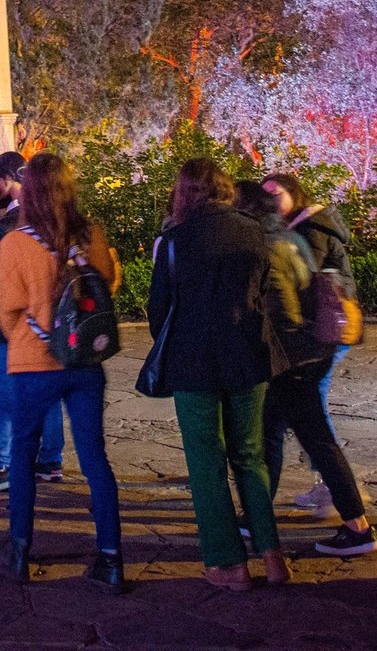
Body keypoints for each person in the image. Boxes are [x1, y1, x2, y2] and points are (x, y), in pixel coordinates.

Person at [153, 158, 288, 592]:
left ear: (184, 192)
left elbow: (160, 308)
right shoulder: (253, 230)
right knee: (250, 455)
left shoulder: (174, 239)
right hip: (248, 354)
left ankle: (227, 563)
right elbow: (265, 290)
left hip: (193, 360)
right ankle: (272, 556)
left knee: (206, 461)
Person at [0, 152, 124, 592]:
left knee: (24, 457)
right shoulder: (90, 235)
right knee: (94, 459)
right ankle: (109, 557)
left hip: (34, 364)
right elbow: (108, 284)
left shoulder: (15, 243)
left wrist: (34, 338)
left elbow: (7, 309)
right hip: (85, 363)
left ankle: (19, 549)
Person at [235, 183, 377, 558]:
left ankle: (358, 526)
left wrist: (272, 346)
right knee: (278, 432)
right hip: (308, 353)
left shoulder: (267, 245)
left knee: (312, 439)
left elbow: (281, 308)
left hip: (294, 358)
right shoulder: (289, 238)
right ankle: (258, 514)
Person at [0, 154, 65, 496]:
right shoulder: (65, 225)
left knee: (3, 400)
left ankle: (3, 463)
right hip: (52, 327)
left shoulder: (4, 228)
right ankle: (50, 461)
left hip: (11, 328)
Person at [261, 171, 358, 517]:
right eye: (265, 196)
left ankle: (335, 488)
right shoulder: (304, 226)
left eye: (276, 194)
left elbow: (300, 282)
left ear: (294, 194)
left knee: (309, 411)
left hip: (320, 332)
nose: (270, 201)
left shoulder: (308, 229)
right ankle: (333, 486)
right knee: (302, 412)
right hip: (327, 329)